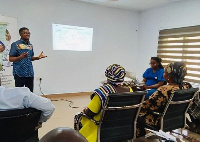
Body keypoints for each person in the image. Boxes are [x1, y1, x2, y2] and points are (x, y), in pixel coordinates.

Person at [76, 64, 133, 142]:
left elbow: (90, 113)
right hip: (123, 128)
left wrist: (85, 110)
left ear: (108, 75)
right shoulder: (130, 91)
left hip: (102, 130)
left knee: (78, 116)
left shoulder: (102, 92)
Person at [137, 62, 188, 137]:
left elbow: (148, 105)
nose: (163, 74)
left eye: (165, 72)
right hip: (176, 119)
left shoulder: (164, 90)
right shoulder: (186, 87)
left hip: (157, 119)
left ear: (169, 76)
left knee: (132, 115)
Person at [9, 27, 47, 92]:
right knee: (19, 93)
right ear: (20, 34)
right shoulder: (15, 44)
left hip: (29, 73)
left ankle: (28, 102)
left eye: (28, 33)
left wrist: (37, 58)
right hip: (19, 73)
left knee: (30, 93)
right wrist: (20, 57)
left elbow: (30, 58)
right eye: (25, 33)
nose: (27, 34)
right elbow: (10, 59)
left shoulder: (30, 45)